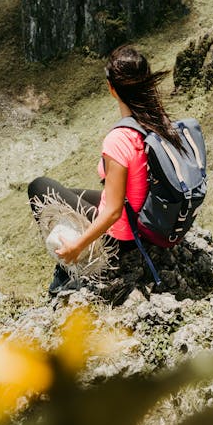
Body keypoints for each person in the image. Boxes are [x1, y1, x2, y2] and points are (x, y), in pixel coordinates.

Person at [28, 44, 183, 295]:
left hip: (123, 239)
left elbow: (112, 212)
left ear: (112, 89)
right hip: (147, 221)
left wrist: (77, 246)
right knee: (70, 193)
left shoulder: (120, 139)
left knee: (39, 187)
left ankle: (73, 265)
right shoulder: (159, 121)